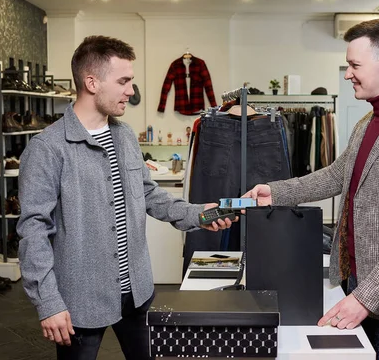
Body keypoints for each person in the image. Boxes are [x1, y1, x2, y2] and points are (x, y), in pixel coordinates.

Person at [244, 18, 379, 359]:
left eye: (354, 65)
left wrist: (363, 297)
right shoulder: (367, 121)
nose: (347, 74)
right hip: (359, 282)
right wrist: (276, 192)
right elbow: (335, 175)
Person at [17, 35, 233, 360]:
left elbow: (147, 194)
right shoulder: (47, 148)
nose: (131, 91)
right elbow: (33, 231)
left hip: (137, 291)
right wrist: (48, 302)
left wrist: (198, 214)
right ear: (91, 82)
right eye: (123, 81)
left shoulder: (125, 135)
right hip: (81, 300)